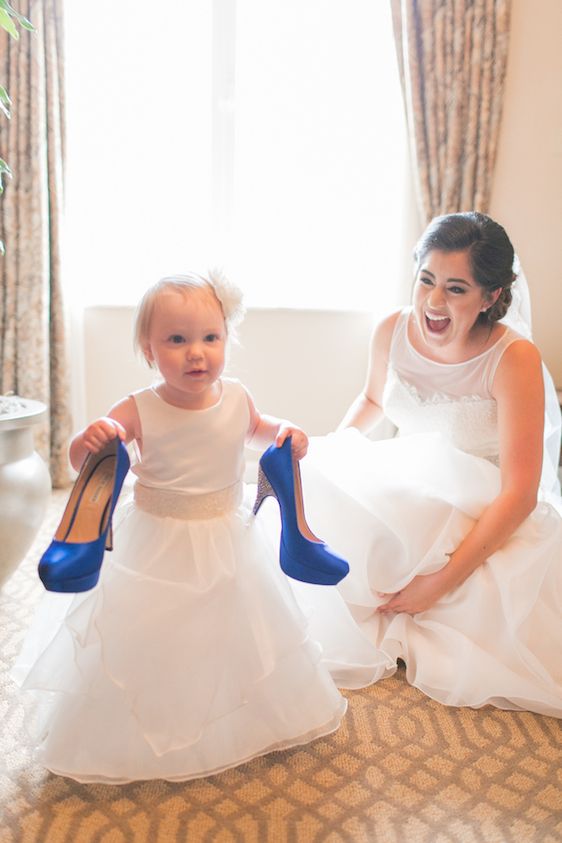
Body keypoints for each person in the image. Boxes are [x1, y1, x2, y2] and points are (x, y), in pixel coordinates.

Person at [11, 271, 348, 783]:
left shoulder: (236, 397)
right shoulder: (138, 408)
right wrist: (91, 437)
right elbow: (83, 462)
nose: (197, 353)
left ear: (226, 341)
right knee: (153, 635)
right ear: (149, 350)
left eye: (210, 338)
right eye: (177, 340)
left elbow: (258, 431)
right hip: (157, 537)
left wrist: (286, 432)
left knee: (234, 628)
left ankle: (239, 723)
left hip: (226, 534)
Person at [296, 211, 562, 718]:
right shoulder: (392, 330)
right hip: (412, 480)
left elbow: (521, 493)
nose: (434, 303)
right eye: (426, 280)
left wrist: (440, 583)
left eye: (456, 289)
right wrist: (333, 449)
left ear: (491, 296)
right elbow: (373, 401)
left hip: (483, 505)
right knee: (316, 496)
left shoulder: (514, 358)